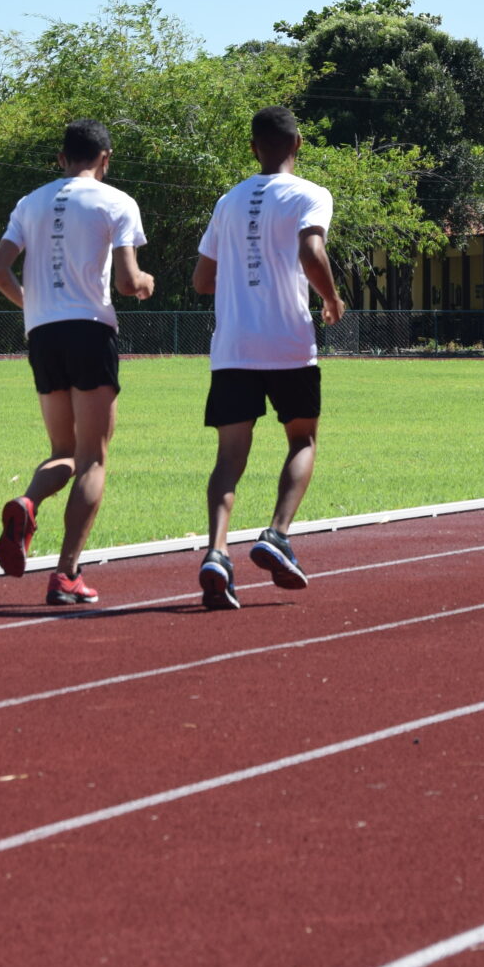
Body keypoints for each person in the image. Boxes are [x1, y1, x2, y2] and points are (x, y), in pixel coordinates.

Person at [0, 118, 153, 605]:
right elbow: (126, 281)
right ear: (105, 158)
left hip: (42, 334)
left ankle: (29, 500)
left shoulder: (30, 202)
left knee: (63, 448)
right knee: (94, 458)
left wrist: (34, 306)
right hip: (89, 330)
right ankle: (66, 573)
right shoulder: (117, 201)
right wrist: (146, 283)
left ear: (62, 159)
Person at [192, 105, 344, 611]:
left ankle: (216, 552)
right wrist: (330, 297)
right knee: (302, 438)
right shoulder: (310, 194)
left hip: (233, 346)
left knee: (229, 458)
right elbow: (311, 250)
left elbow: (202, 280)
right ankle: (276, 534)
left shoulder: (227, 202)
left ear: (253, 145)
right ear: (297, 143)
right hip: (288, 344)